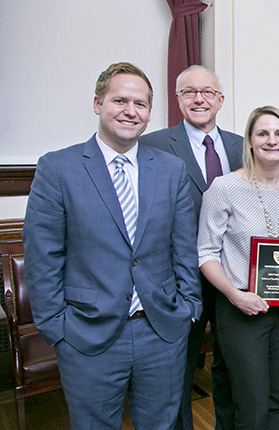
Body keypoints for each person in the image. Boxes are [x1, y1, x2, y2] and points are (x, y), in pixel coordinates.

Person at [23, 62, 202, 429]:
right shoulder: (58, 168)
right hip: (86, 335)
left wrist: (188, 309)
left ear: (150, 113)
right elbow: (43, 258)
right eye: (119, 100)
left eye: (140, 104)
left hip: (161, 331)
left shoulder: (170, 170)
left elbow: (183, 249)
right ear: (97, 103)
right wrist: (58, 328)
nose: (130, 111)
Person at [197, 106, 279, 429]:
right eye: (262, 133)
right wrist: (235, 296)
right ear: (249, 141)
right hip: (241, 310)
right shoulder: (224, 188)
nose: (272, 141)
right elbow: (206, 253)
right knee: (250, 405)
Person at [139, 64, 241, 430]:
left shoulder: (242, 146)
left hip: (234, 277)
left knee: (230, 364)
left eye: (208, 92)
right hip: (182, 279)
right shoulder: (152, 146)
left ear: (220, 100)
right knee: (178, 368)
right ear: (178, 98)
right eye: (189, 92)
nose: (199, 99)